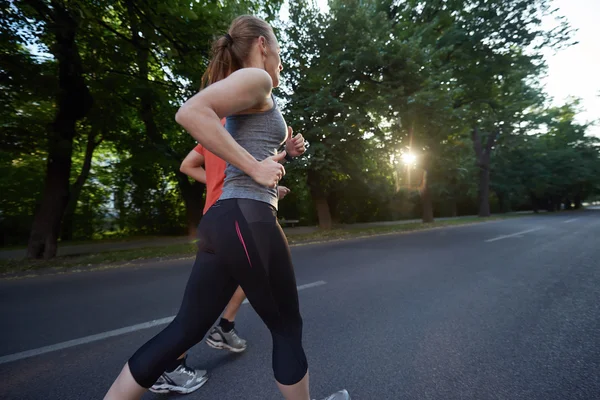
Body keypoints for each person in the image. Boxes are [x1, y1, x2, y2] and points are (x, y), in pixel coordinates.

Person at [104, 15, 349, 400]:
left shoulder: (249, 88)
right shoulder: (258, 78)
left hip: (224, 220)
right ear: (262, 45)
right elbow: (189, 113)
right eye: (279, 50)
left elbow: (248, 150)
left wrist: (282, 156)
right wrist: (254, 168)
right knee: (286, 329)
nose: (281, 62)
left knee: (185, 329)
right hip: (245, 218)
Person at [149, 138, 296, 395]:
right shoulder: (242, 125)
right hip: (238, 215)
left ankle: (224, 327)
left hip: (219, 216)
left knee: (235, 283)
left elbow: (188, 165)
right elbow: (250, 169)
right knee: (200, 309)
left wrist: (220, 183)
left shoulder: (216, 128)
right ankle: (170, 365)